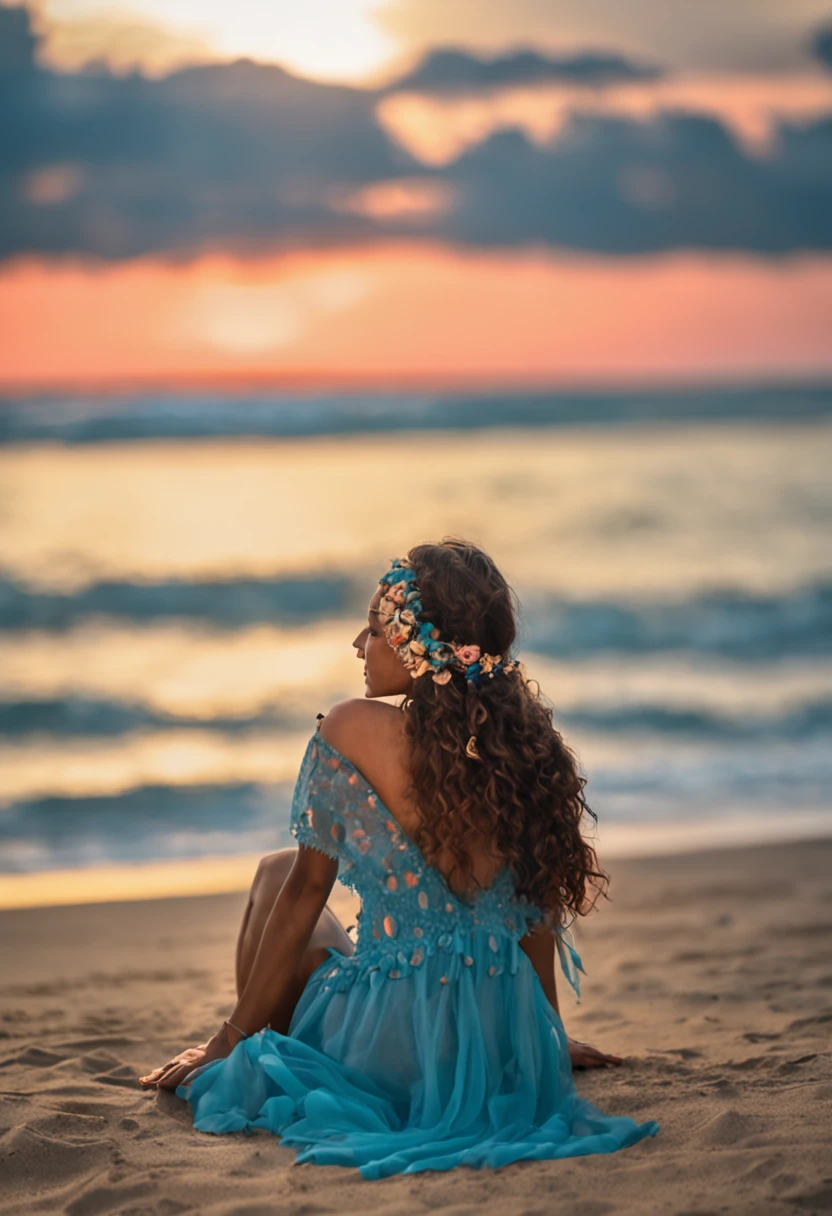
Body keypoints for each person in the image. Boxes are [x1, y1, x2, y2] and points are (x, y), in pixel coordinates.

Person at [139, 539, 660, 1177]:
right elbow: (536, 913)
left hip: (396, 1042)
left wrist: (226, 1042)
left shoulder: (353, 728)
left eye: (376, 629)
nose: (358, 645)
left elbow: (307, 894)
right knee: (301, 885)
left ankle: (254, 1037)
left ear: (420, 646)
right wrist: (543, 1039)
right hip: (495, 1036)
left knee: (279, 872)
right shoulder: (525, 749)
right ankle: (268, 1035)